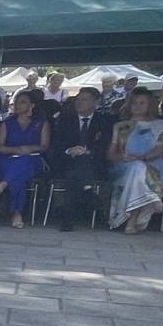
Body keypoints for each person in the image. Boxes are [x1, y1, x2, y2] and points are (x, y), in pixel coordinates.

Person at [106, 88, 163, 233]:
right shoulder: (120, 125)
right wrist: (121, 157)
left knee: (138, 169)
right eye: (134, 103)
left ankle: (131, 222)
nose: (137, 106)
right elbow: (110, 154)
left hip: (153, 167)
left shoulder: (160, 124)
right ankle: (151, 202)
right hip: (123, 167)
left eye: (142, 103)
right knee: (137, 169)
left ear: (150, 105)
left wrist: (141, 158)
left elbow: (161, 147)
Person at [47, 86, 110, 232]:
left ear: (95, 103)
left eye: (85, 100)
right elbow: (56, 145)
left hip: (93, 164)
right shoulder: (65, 120)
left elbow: (105, 145)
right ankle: (87, 191)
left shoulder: (104, 121)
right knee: (75, 168)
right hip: (67, 162)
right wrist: (70, 150)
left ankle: (68, 217)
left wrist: (87, 151)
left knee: (76, 171)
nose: (79, 103)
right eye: (78, 99)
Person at [0, 89, 47, 228]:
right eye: (16, 102)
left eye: (23, 102)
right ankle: (17, 213)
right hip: (8, 158)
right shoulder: (7, 123)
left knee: (24, 162)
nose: (18, 105)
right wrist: (16, 150)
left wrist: (30, 148)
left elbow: (44, 146)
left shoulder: (41, 123)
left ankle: (4, 184)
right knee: (19, 176)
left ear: (32, 105)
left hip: (32, 159)